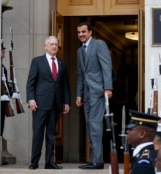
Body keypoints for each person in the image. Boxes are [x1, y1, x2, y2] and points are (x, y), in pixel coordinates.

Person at [26, 36, 71, 170]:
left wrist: (66, 102)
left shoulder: (62, 64)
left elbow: (65, 85)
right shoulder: (37, 61)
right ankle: (34, 162)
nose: (54, 47)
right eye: (51, 44)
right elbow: (30, 83)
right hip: (39, 104)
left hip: (55, 104)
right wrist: (31, 99)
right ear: (45, 46)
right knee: (38, 133)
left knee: (51, 135)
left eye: (56, 44)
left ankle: (49, 162)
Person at [76, 22, 113, 170]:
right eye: (79, 32)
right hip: (86, 93)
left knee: (95, 124)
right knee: (90, 125)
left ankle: (98, 160)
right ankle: (93, 159)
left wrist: (108, 87)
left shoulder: (99, 44)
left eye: (84, 32)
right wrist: (79, 94)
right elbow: (80, 74)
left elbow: (106, 65)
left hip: (98, 91)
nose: (81, 35)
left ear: (90, 32)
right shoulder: (80, 51)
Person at [127, 110, 160, 174]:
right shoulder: (150, 152)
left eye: (130, 129)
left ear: (142, 133)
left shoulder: (143, 163)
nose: (127, 132)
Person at [0, 41, 13, 165]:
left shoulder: (2, 67)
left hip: (3, 102)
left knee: (1, 127)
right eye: (2, 49)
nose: (3, 51)